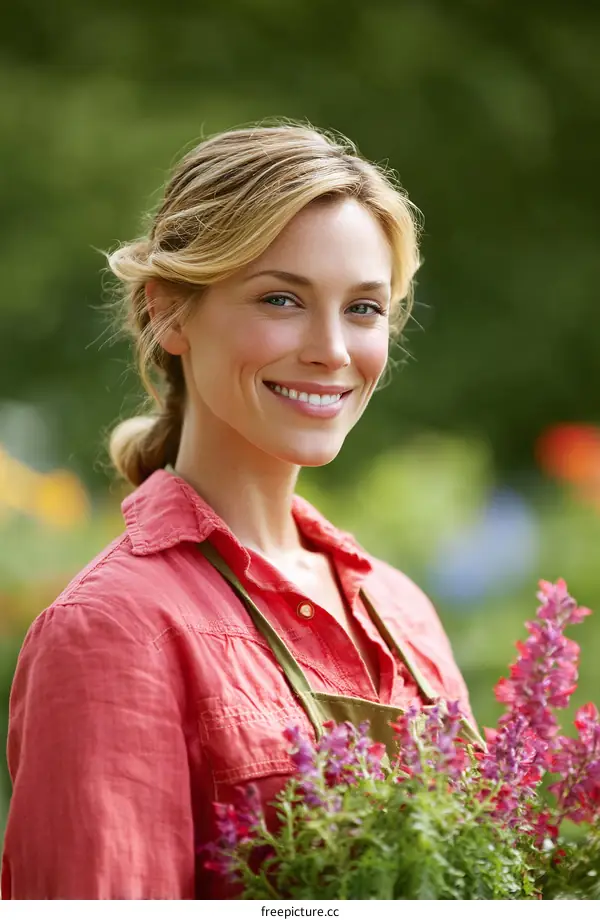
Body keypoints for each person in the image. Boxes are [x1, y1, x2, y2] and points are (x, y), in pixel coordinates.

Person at [1, 122, 481, 900]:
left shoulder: (404, 614)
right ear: (171, 314)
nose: (331, 349)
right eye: (282, 299)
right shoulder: (116, 629)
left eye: (363, 308)